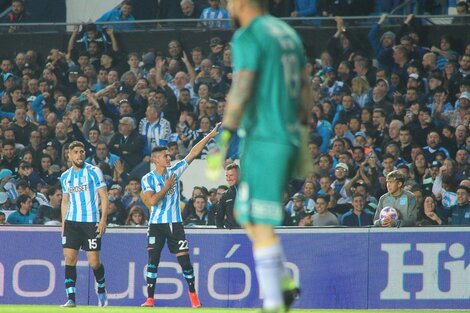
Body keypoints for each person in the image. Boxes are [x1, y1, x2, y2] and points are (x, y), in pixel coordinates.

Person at [207, 1, 310, 311]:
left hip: (267, 137)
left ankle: (275, 303)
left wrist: (224, 135)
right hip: (285, 136)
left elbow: (242, 85)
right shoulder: (288, 33)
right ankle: (283, 284)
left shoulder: (248, 35)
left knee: (260, 220)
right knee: (245, 213)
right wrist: (301, 132)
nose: (227, 7)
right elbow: (305, 88)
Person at [140, 123, 220, 308]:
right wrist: (167, 187)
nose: (169, 157)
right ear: (156, 160)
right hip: (156, 225)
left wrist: (209, 135)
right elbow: (152, 201)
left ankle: (193, 296)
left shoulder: (175, 171)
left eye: (169, 154)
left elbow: (192, 153)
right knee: (153, 261)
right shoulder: (148, 178)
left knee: (184, 261)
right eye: (165, 156)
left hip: (175, 224)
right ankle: (150, 299)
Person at [59, 141, 109, 307]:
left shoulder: (94, 172)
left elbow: (104, 196)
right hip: (72, 223)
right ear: (69, 155)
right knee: (70, 258)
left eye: (82, 152)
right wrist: (63, 225)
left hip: (90, 223)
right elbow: (65, 202)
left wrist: (103, 220)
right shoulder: (65, 177)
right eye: (76, 152)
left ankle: (101, 289)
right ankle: (71, 298)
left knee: (94, 262)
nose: (80, 155)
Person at [215, 162, 240, 229]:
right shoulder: (225, 195)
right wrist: (222, 234)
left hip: (250, 235)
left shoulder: (250, 191)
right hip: (232, 235)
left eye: (231, 175)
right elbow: (218, 218)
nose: (228, 178)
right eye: (227, 175)